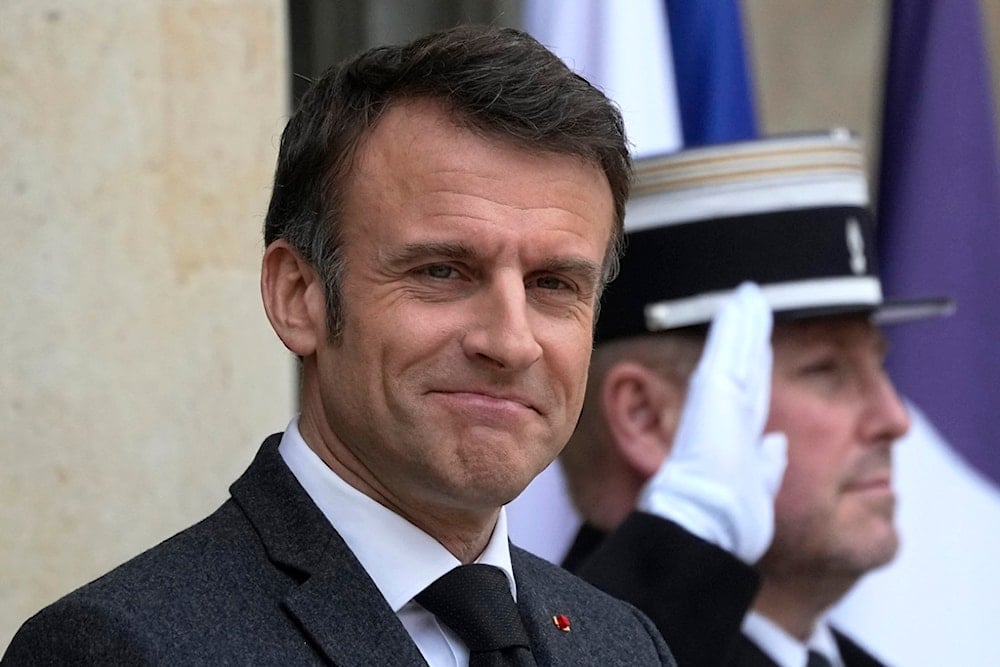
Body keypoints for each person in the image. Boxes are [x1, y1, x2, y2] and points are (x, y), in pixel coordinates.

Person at [2, 25, 675, 666]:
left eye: (554, 283)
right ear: (299, 296)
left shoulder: (621, 643)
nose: (511, 340)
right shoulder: (118, 648)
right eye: (442, 271)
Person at [559, 132, 953, 667]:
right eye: (825, 370)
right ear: (646, 417)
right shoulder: (529, 647)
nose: (894, 419)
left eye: (878, 363)